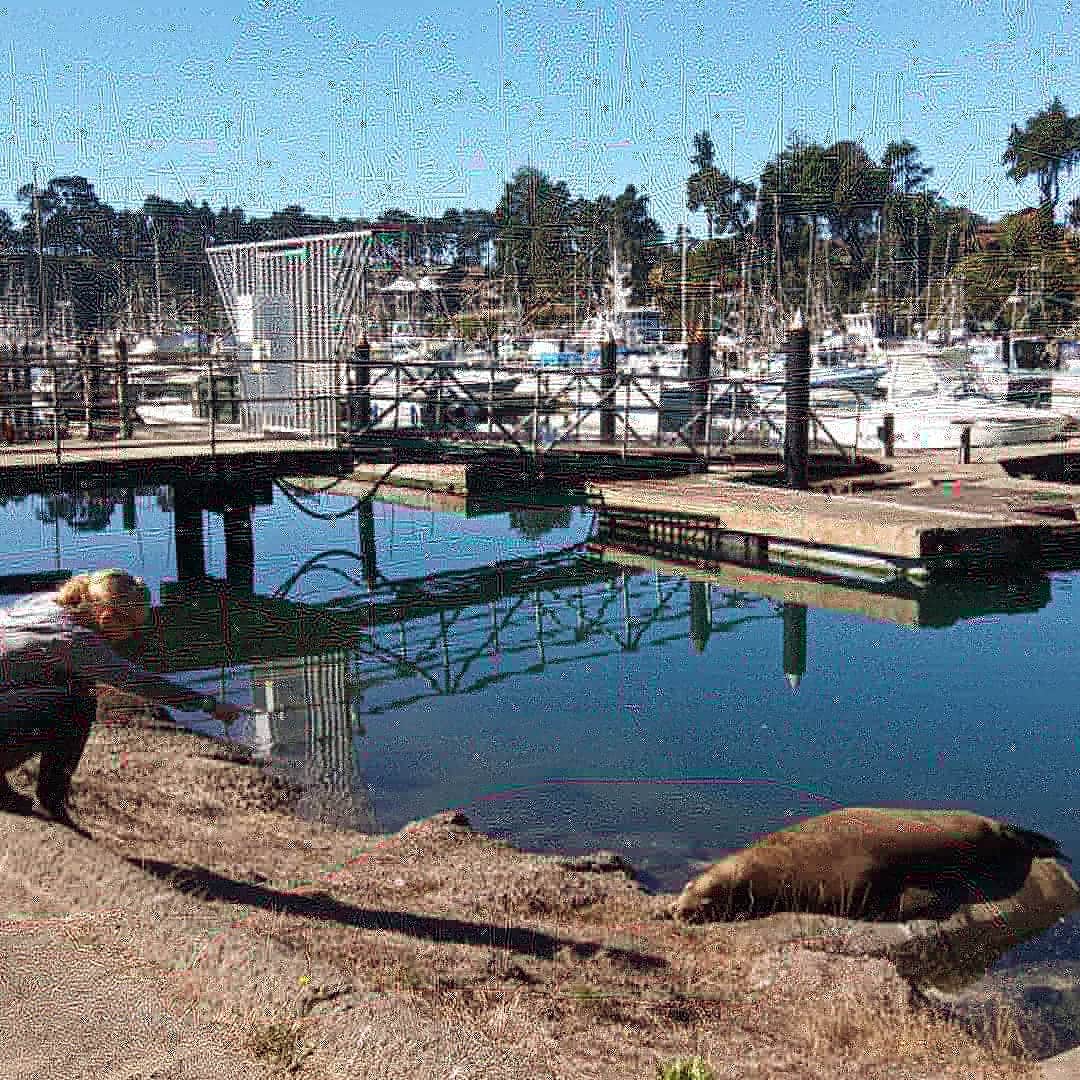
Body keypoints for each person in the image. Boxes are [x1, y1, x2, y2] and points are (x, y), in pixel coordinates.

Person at [0, 568, 246, 822]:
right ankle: (52, 799)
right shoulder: (75, 640)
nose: (133, 635)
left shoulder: (49, 602)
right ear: (108, 617)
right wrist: (208, 704)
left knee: (73, 686)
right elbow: (141, 683)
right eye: (133, 627)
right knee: (78, 705)